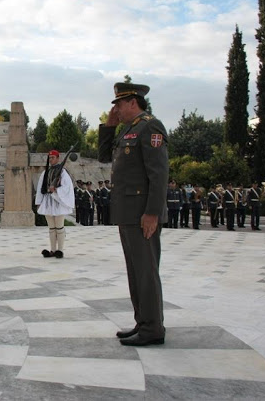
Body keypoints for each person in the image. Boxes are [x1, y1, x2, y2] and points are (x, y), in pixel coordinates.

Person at [98, 82, 168, 346]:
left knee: (146, 272)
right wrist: (108, 125)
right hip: (127, 212)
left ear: (132, 102)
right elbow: (104, 157)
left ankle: (153, 328)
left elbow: (159, 174)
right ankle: (143, 322)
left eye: (118, 103)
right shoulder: (128, 129)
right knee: (135, 271)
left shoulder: (150, 127)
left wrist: (152, 213)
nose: (115, 108)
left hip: (142, 214)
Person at [35, 150, 75, 258]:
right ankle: (52, 250)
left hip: (58, 201)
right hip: (47, 201)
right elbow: (40, 187)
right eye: (50, 158)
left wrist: (56, 190)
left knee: (59, 227)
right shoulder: (45, 172)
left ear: (58, 158)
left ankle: (60, 250)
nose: (51, 160)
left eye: (53, 157)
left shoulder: (62, 172)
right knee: (51, 228)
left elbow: (67, 187)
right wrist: (39, 202)